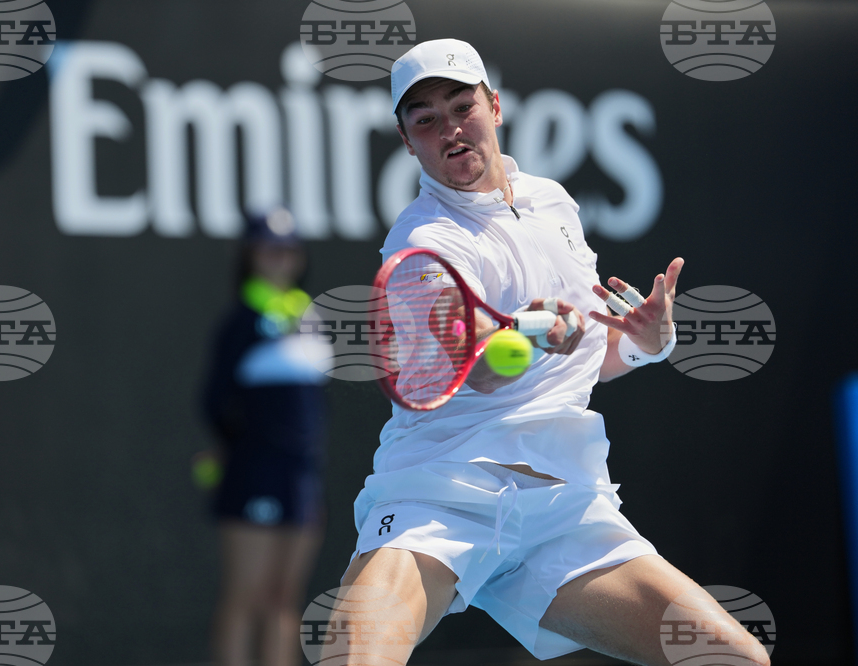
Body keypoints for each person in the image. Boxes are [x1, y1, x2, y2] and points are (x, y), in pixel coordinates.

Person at [327, 40, 771, 666]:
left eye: (462, 106)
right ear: (407, 140)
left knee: (734, 659)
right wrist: (531, 330)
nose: (449, 129)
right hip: (443, 494)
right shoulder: (424, 241)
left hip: (563, 507)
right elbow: (473, 370)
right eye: (424, 118)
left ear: (496, 107)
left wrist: (647, 344)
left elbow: (592, 352)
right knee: (356, 659)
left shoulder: (553, 203)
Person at [200, 208, 328, 666]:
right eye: (269, 248)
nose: (280, 258)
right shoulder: (240, 323)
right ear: (251, 256)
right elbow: (214, 402)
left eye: (288, 248)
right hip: (253, 473)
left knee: (283, 597)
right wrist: (242, 452)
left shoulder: (309, 317)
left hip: (302, 478)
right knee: (245, 595)